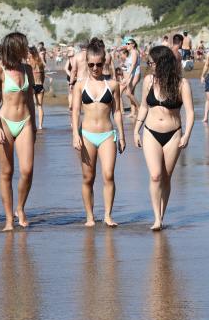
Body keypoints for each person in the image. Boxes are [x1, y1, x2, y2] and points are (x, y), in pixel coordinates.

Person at [133, 45, 194, 231]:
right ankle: (157, 218)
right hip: (150, 131)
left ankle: (162, 214)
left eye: (152, 62)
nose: (149, 65)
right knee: (155, 175)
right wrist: (136, 129)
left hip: (174, 133)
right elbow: (144, 106)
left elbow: (190, 113)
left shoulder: (182, 84)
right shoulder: (149, 81)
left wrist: (186, 135)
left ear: (162, 63)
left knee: (166, 177)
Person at [71, 38, 126, 227]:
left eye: (99, 64)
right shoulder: (80, 85)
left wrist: (122, 135)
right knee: (88, 177)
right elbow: (75, 111)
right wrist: (75, 135)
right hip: (86, 135)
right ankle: (89, 216)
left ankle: (108, 215)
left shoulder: (113, 85)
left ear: (104, 63)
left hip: (107, 135)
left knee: (109, 175)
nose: (95, 68)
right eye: (91, 64)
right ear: (86, 63)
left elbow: (117, 111)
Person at [0, 32, 37, 231]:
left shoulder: (27, 69)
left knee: (27, 170)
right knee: (6, 172)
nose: (26, 49)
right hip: (5, 123)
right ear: (15, 48)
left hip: (24, 122)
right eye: (23, 46)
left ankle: (20, 208)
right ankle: (8, 218)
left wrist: (33, 126)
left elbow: (30, 100)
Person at [27, 46, 46, 130]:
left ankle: (32, 124)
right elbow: (43, 75)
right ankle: (40, 126)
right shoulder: (40, 62)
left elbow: (27, 76)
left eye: (28, 53)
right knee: (39, 106)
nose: (27, 54)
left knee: (30, 106)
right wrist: (42, 83)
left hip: (32, 85)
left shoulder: (29, 63)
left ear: (31, 53)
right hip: (40, 85)